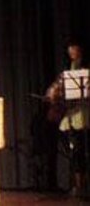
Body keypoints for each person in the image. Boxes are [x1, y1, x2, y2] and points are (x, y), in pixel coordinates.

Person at [52, 41, 89, 194]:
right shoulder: (69, 69)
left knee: (82, 149)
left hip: (85, 111)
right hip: (73, 113)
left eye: (74, 50)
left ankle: (82, 184)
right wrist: (55, 91)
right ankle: (78, 185)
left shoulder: (85, 68)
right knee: (75, 150)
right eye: (69, 52)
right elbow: (59, 86)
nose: (72, 54)